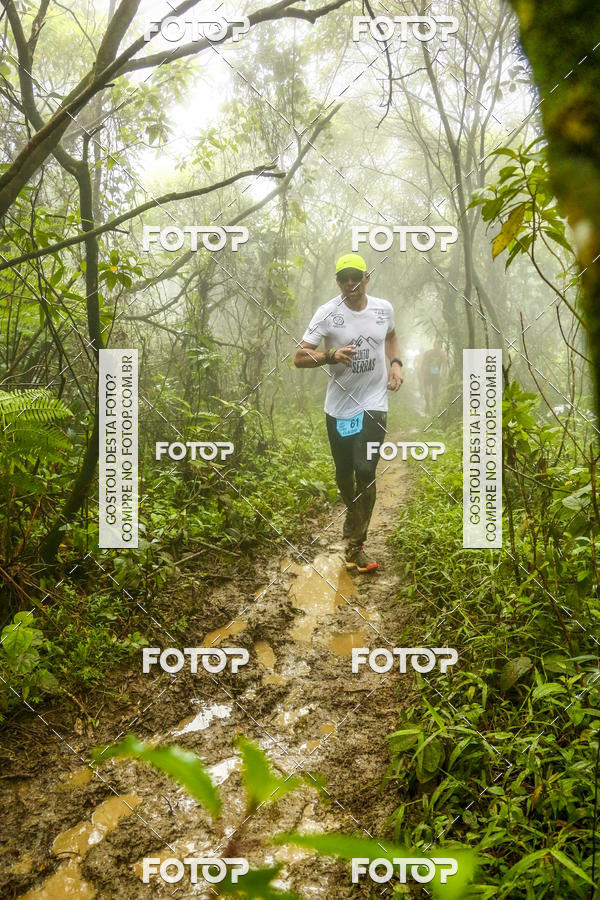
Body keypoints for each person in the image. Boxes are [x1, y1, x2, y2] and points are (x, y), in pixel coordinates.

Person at [294, 253, 403, 573]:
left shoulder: (384, 309)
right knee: (344, 473)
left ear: (367, 277)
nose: (351, 284)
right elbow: (299, 357)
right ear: (338, 282)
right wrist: (329, 355)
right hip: (339, 408)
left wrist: (395, 364)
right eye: (344, 278)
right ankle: (352, 515)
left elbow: (392, 336)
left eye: (357, 276)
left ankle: (356, 545)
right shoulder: (327, 313)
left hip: (374, 403)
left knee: (365, 469)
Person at [420, 339, 447, 414]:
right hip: (427, 375)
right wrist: (422, 371)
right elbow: (422, 364)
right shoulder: (428, 353)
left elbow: (444, 366)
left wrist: (443, 375)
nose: (437, 347)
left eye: (439, 346)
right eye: (436, 345)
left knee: (435, 393)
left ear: (441, 347)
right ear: (434, 345)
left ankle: (434, 408)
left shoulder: (442, 355)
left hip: (436, 376)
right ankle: (427, 404)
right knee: (427, 392)